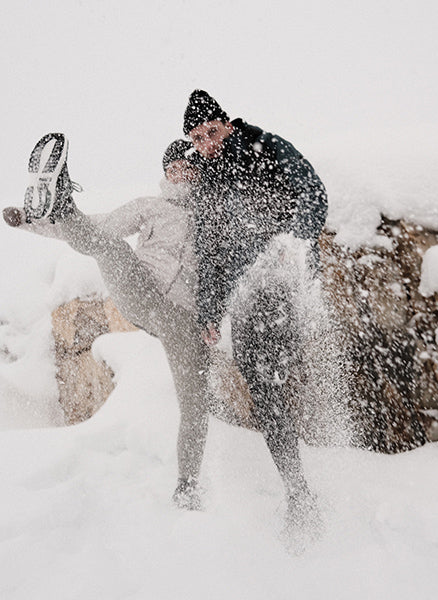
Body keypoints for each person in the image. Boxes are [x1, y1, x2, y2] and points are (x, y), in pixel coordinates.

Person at [3, 133, 208, 510]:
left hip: (182, 319)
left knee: (194, 404)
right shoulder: (151, 206)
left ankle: (187, 485)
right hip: (141, 289)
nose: (179, 173)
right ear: (165, 173)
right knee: (110, 245)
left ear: (198, 172)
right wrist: (30, 222)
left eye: (187, 166)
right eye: (173, 167)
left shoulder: (214, 214)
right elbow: (101, 227)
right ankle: (61, 204)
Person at [183, 90, 328, 533]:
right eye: (197, 138)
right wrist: (210, 310)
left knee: (277, 375)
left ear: (227, 124)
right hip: (246, 292)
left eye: (211, 131)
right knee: (261, 386)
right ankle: (297, 488)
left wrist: (291, 240)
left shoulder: (266, 146)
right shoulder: (206, 182)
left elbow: (313, 193)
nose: (206, 142)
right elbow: (209, 254)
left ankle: (301, 487)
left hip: (285, 278)